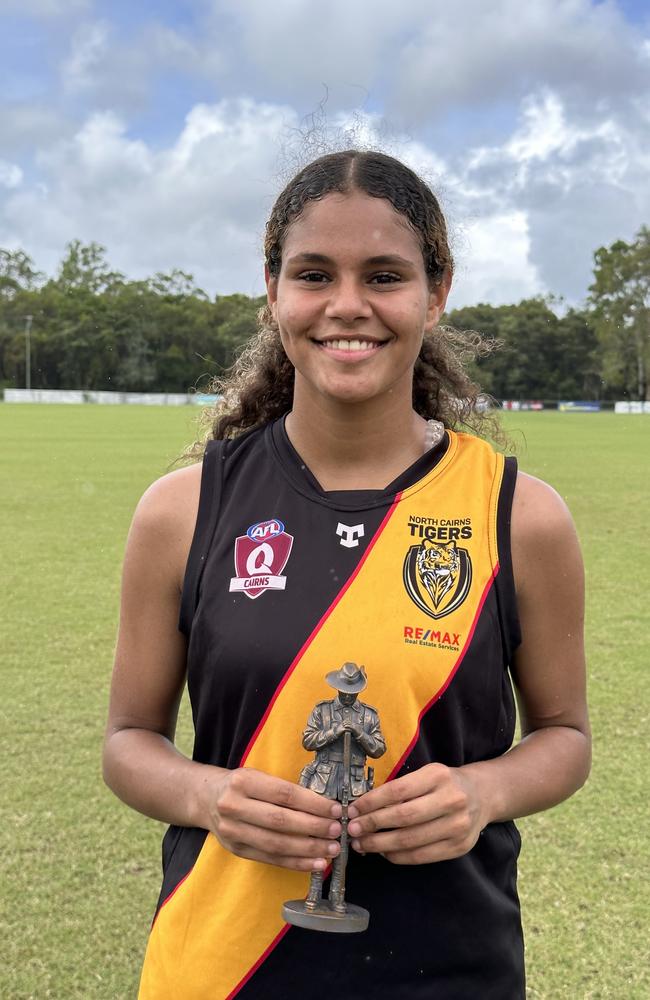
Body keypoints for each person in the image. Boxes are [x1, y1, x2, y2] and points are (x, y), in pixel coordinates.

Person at [103, 149, 591, 1000]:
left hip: (450, 970)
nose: (348, 306)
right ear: (273, 289)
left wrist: (480, 792)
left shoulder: (520, 514)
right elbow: (127, 745)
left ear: (436, 295)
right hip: (218, 970)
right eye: (314, 274)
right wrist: (209, 796)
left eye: (386, 275)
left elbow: (565, 739)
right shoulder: (183, 509)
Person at [298, 661, 386, 912]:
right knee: (319, 837)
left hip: (353, 782)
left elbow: (379, 749)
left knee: (344, 842)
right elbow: (308, 740)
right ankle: (313, 894)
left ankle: (338, 896)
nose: (348, 695)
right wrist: (334, 731)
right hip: (324, 780)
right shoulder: (322, 711)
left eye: (352, 691)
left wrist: (359, 732)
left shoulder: (369, 715)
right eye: (344, 690)